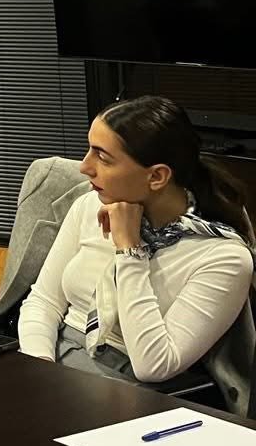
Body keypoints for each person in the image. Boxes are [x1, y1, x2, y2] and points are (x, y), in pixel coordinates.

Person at [18, 96, 254, 384]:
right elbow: (43, 302)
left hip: (129, 384)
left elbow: (154, 365)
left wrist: (130, 250)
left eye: (103, 157)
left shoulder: (223, 256)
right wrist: (40, 367)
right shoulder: (90, 205)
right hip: (54, 357)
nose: (84, 167)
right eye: (89, 149)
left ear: (157, 176)